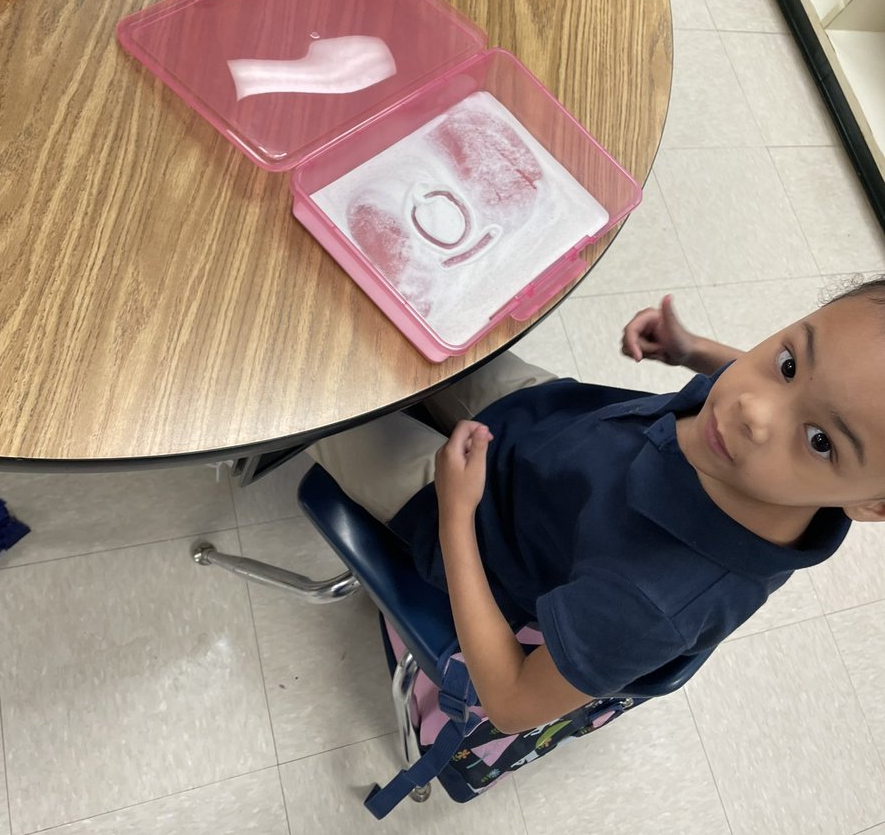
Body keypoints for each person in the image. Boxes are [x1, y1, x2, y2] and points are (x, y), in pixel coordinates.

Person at [307, 279, 885, 734]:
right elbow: (810, 392)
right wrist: (694, 351)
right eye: (787, 362)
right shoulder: (761, 431)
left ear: (872, 503)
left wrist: (456, 516)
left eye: (820, 441)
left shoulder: (656, 602)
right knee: (409, 322)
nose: (753, 412)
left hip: (472, 523)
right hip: (545, 416)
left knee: (316, 395)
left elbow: (511, 703)